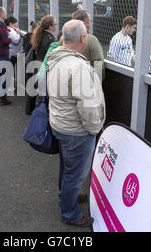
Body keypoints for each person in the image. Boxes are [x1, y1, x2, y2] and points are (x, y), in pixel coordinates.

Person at [47, 20, 105, 227]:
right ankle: (70, 213)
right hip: (76, 130)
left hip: (60, 123)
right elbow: (87, 106)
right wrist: (94, 129)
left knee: (67, 166)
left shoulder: (55, 58)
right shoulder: (78, 65)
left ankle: (66, 195)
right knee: (75, 172)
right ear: (82, 38)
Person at [58, 9, 105, 82]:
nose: (90, 23)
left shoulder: (63, 39)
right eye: (89, 21)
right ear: (84, 24)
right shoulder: (92, 40)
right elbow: (98, 63)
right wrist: (96, 85)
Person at [25, 15, 58, 114]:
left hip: (37, 65)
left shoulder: (40, 35)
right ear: (50, 27)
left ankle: (34, 112)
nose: (56, 26)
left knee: (37, 93)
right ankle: (41, 116)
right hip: (44, 68)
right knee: (43, 95)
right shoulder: (51, 39)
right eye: (55, 24)